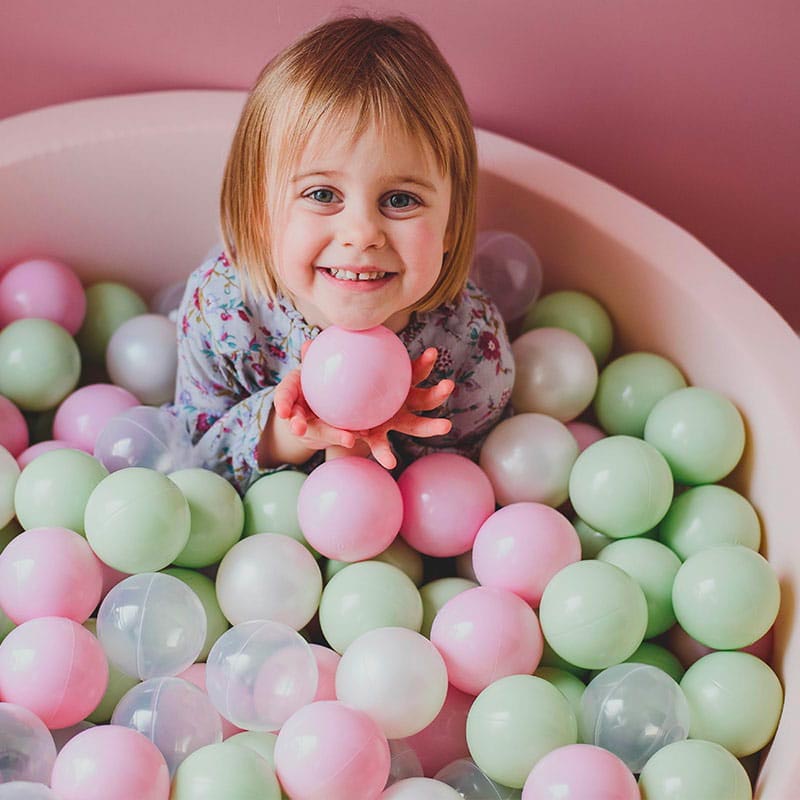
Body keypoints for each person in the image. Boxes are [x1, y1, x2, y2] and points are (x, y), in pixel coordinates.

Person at [173, 14, 515, 493]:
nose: (361, 234)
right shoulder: (224, 309)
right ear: (258, 211)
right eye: (321, 194)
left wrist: (386, 434)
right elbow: (188, 459)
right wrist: (286, 430)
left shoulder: (470, 344)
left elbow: (481, 481)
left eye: (400, 200)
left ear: (451, 226)